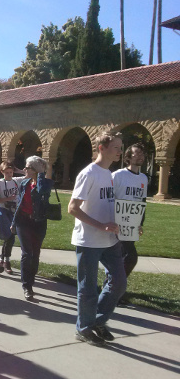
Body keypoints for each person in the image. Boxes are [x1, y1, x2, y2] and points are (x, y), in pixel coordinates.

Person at [68, 131, 126, 346]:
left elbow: (111, 206)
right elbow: (72, 208)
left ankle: (97, 322)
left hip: (110, 240)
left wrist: (128, 227)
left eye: (120, 147)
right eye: (116, 147)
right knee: (88, 288)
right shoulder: (89, 173)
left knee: (119, 283)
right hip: (89, 241)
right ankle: (83, 329)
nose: (120, 151)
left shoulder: (110, 175)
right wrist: (101, 225)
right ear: (102, 148)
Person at [10, 156, 53, 300]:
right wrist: (14, 222)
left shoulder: (45, 184)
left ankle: (31, 280)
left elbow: (41, 191)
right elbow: (20, 203)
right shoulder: (24, 183)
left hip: (39, 222)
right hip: (23, 221)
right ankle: (27, 286)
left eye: (27, 168)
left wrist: (41, 174)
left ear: (35, 170)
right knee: (27, 253)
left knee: (35, 253)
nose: (24, 170)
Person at [112, 143, 148, 305]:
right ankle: (114, 291)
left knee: (121, 258)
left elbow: (142, 202)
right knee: (129, 257)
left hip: (132, 225)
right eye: (136, 153)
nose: (140, 156)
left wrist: (140, 223)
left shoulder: (143, 178)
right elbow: (109, 199)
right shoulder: (118, 175)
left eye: (142, 154)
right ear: (128, 157)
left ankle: (114, 290)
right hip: (117, 223)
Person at [0, 161, 25, 274]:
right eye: (7, 172)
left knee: (11, 236)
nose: (9, 174)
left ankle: (3, 260)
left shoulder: (17, 180)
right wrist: (8, 199)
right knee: (8, 236)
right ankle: (7, 261)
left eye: (11, 172)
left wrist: (19, 170)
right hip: (5, 210)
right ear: (2, 172)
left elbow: (31, 175)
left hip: (15, 211)